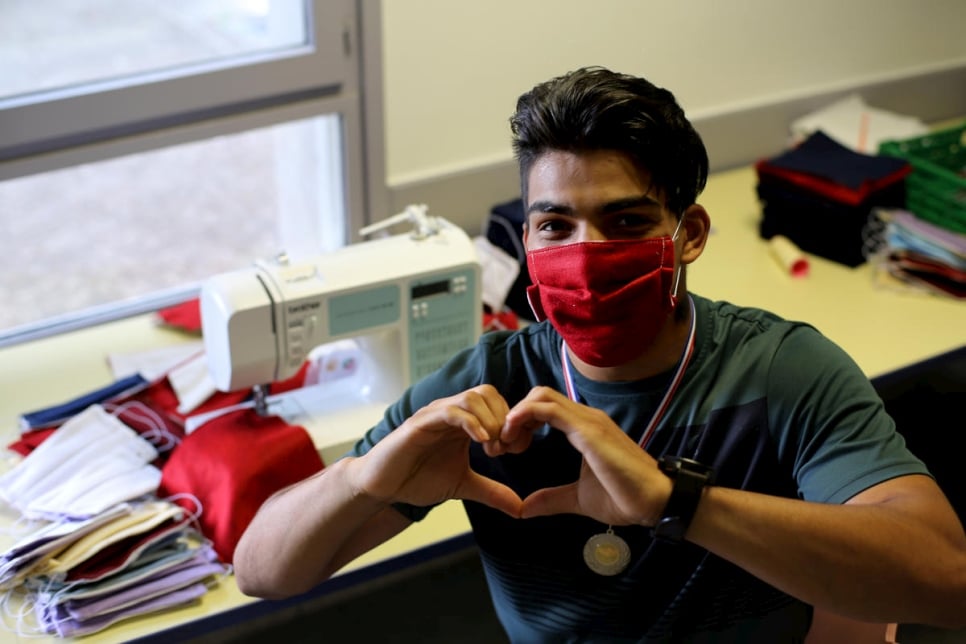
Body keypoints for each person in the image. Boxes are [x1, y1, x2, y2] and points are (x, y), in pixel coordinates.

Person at [233, 67, 966, 642]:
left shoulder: (779, 370)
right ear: (526, 241)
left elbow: (947, 579)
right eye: (555, 225)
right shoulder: (486, 390)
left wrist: (678, 504)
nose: (586, 255)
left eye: (625, 221)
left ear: (691, 234)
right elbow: (262, 572)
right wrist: (362, 478)